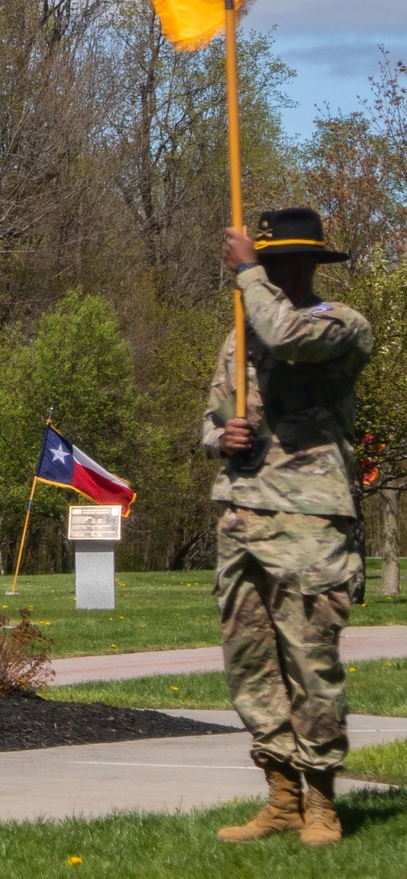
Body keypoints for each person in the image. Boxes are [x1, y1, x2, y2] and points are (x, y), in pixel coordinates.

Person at [205, 207, 373, 847]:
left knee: (311, 662)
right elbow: (212, 415)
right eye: (265, 260)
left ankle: (322, 800)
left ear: (309, 264)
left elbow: (290, 339)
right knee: (251, 664)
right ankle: (279, 795)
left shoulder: (340, 324)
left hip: (310, 518)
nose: (274, 270)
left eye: (282, 261)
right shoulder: (238, 337)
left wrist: (247, 273)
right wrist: (222, 435)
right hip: (242, 512)